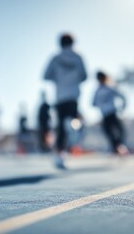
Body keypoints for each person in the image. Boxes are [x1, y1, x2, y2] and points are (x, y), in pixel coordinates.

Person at [44, 33, 87, 169]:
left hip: (60, 96)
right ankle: (73, 123)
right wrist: (74, 80)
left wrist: (58, 78)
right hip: (73, 94)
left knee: (61, 128)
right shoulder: (78, 57)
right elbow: (84, 76)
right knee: (72, 119)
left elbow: (45, 76)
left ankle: (61, 156)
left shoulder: (55, 58)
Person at [93, 71, 129, 156]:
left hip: (112, 113)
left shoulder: (109, 88)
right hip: (105, 115)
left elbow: (122, 96)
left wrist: (123, 107)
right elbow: (93, 103)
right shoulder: (98, 91)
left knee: (119, 131)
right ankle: (116, 147)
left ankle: (119, 146)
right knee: (109, 132)